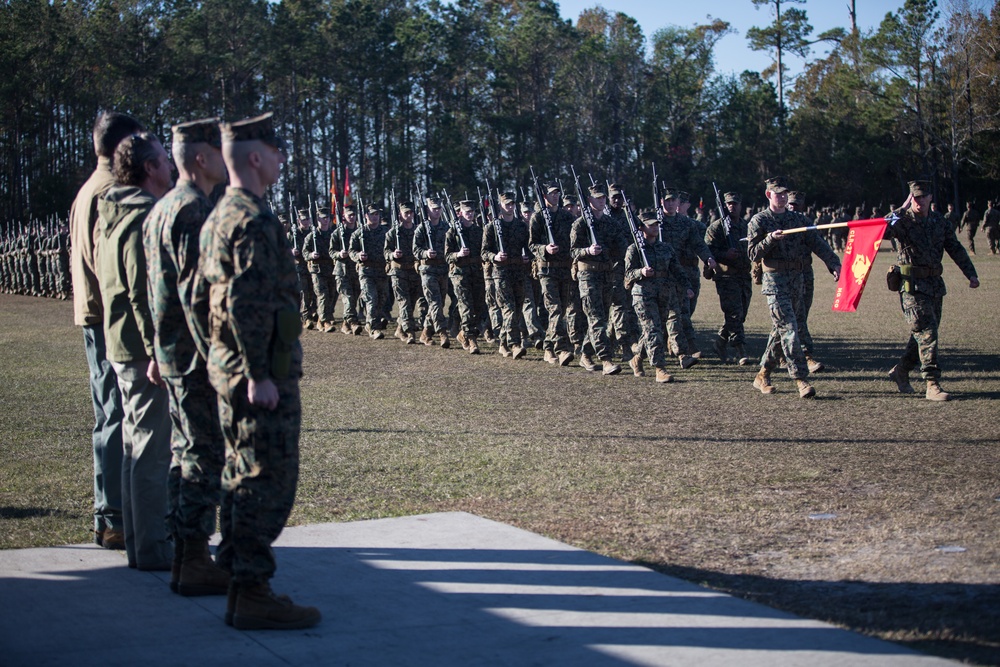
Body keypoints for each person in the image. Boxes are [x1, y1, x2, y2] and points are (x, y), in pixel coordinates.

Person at [197, 112, 320, 629]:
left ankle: (236, 574)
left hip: (230, 367)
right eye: (275, 150)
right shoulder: (252, 218)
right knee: (264, 478)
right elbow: (245, 302)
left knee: (238, 472)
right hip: (258, 372)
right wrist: (259, 375)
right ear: (255, 156)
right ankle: (251, 590)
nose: (281, 158)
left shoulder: (220, 213)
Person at [143, 117, 231, 595]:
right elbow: (198, 298)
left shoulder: (162, 208)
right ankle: (195, 557)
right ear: (201, 157)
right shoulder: (193, 210)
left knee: (185, 453)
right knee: (203, 454)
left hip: (173, 352)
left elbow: (153, 291)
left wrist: (157, 347)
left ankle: (184, 554)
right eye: (219, 151)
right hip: (196, 357)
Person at [95, 131, 174, 569]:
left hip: (123, 343)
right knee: (150, 450)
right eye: (164, 160)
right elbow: (145, 291)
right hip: (142, 350)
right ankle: (151, 547)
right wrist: (159, 351)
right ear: (149, 168)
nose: (170, 166)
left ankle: (138, 541)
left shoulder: (116, 210)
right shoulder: (142, 215)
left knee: (133, 445)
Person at [69, 111, 142, 550]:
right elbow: (111, 266)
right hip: (109, 319)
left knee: (110, 414)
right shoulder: (108, 193)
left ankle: (111, 513)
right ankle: (112, 515)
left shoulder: (89, 189)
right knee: (116, 415)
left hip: (95, 314)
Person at [747, 177, 840, 399]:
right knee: (789, 328)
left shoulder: (798, 219)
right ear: (768, 195)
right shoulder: (759, 221)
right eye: (777, 193)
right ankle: (800, 379)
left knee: (781, 330)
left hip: (797, 281)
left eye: (784, 193)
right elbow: (752, 254)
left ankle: (762, 374)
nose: (782, 197)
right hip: (775, 282)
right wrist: (769, 239)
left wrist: (833, 263)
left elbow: (818, 243)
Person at [886, 181, 979, 401]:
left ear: (930, 198)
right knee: (927, 331)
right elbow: (882, 228)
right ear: (911, 198)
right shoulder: (902, 220)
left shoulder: (939, 222)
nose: (918, 201)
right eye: (914, 197)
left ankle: (901, 370)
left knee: (923, 333)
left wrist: (971, 274)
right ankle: (932, 383)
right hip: (911, 286)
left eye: (922, 197)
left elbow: (955, 248)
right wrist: (901, 207)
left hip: (935, 285)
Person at [625, 210, 693, 383]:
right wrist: (640, 271)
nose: (655, 227)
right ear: (641, 228)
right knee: (653, 329)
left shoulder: (665, 247)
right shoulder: (634, 249)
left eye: (656, 224)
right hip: (643, 295)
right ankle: (659, 368)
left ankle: (637, 359)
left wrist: (686, 287)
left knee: (654, 331)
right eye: (651, 225)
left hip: (663, 293)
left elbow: (676, 269)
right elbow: (627, 274)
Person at [658, 188, 717, 367]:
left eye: (673, 200)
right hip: (660, 274)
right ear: (661, 202)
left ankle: (684, 349)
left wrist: (707, 257)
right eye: (666, 201)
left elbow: (698, 244)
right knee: (658, 316)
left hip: (681, 274)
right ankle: (647, 350)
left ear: (678, 203)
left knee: (681, 312)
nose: (670, 203)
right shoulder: (655, 223)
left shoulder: (687, 223)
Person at [570, 184, 623, 375]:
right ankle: (606, 359)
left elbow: (621, 247)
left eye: (603, 198)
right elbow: (573, 251)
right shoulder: (580, 224)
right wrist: (587, 251)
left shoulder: (611, 223)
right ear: (589, 200)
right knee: (596, 317)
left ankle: (585, 352)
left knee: (602, 318)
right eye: (597, 198)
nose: (601, 201)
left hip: (607, 275)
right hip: (588, 275)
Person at [529, 183, 582, 366]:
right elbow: (532, 245)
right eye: (551, 194)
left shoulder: (567, 217)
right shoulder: (537, 218)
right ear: (544, 196)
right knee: (555, 309)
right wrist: (545, 248)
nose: (555, 196)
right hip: (547, 270)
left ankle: (548, 347)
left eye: (557, 193)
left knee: (566, 309)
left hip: (564, 268)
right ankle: (561, 349)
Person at [704, 192, 752, 365]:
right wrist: (725, 254)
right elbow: (707, 251)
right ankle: (740, 350)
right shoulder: (716, 227)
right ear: (725, 205)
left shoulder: (746, 225)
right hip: (726, 276)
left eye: (735, 203)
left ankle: (720, 343)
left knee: (741, 314)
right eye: (729, 204)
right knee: (734, 313)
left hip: (743, 275)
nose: (732, 206)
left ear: (740, 205)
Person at [482, 192, 531, 358]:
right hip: (501, 273)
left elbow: (529, 247)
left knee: (517, 310)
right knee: (508, 309)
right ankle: (515, 344)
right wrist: (494, 257)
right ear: (500, 206)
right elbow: (484, 252)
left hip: (519, 272)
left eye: (512, 204)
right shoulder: (492, 227)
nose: (510, 207)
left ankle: (503, 342)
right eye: (506, 204)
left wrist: (527, 257)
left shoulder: (522, 226)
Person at [785, 192, 826, 373]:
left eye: (796, 205)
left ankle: (781, 354)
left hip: (805, 275)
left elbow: (819, 245)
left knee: (800, 315)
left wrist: (833, 264)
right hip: (783, 278)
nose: (793, 207)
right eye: (791, 204)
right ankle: (806, 356)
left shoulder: (806, 223)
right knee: (796, 317)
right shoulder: (777, 222)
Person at [445, 200, 486, 354]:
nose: (470, 214)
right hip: (459, 274)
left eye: (472, 211)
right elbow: (447, 256)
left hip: (476, 273)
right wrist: (459, 254)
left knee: (478, 306)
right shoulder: (452, 232)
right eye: (466, 212)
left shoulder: (478, 231)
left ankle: (462, 333)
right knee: (466, 306)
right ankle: (471, 339)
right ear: (460, 213)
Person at [413, 197, 452, 347]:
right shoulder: (421, 228)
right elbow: (415, 250)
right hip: (428, 270)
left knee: (438, 303)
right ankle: (443, 333)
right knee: (435, 302)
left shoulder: (446, 227)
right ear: (428, 210)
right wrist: (425, 253)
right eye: (433, 208)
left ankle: (426, 333)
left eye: (438, 208)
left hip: (443, 269)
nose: (436, 211)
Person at [350, 204, 391, 338]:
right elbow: (351, 251)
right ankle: (373, 328)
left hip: (382, 271)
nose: (375, 217)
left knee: (381, 299)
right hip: (366, 270)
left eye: (377, 214)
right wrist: (358, 256)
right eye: (372, 214)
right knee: (371, 299)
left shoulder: (386, 232)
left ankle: (371, 323)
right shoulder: (359, 233)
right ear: (366, 216)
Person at [384, 200, 423, 344]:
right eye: (406, 212)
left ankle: (400, 327)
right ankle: (409, 332)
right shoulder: (393, 233)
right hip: (398, 272)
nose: (409, 215)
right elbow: (386, 251)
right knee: (404, 302)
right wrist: (393, 254)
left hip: (414, 271)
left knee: (411, 303)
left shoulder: (418, 231)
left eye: (411, 212)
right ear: (400, 215)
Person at [331, 205, 363, 335]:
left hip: (355, 271)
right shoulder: (337, 233)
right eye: (349, 215)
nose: (352, 217)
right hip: (342, 271)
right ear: (344, 217)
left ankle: (345, 324)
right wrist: (339, 254)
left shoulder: (360, 232)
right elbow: (331, 251)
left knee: (354, 299)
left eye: (353, 215)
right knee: (348, 298)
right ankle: (354, 323)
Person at [304, 210, 337, 332]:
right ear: (318, 219)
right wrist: (311, 255)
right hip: (317, 269)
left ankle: (321, 319)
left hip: (331, 268)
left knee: (332, 295)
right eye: (322, 218)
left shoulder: (333, 234)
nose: (325, 220)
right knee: (322, 294)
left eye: (327, 217)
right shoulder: (312, 236)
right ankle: (325, 321)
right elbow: (304, 252)